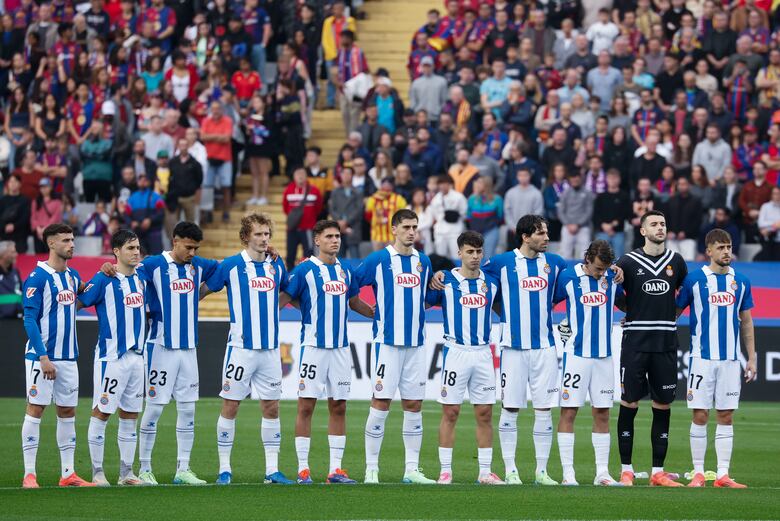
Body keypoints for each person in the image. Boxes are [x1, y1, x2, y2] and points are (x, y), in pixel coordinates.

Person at [103, 222, 218, 486]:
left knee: (188, 410)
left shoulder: (198, 265)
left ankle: (183, 469)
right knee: (154, 409)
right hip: (161, 347)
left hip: (189, 349)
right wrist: (107, 266)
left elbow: (224, 269)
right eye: (188, 247)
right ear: (175, 241)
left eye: (196, 248)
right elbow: (125, 272)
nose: (192, 253)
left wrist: (202, 292)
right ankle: (145, 468)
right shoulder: (153, 264)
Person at [200, 213, 294, 485]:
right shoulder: (230, 265)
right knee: (231, 405)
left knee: (272, 407)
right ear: (245, 237)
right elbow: (204, 290)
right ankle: (224, 469)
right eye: (258, 234)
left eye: (267, 234)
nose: (264, 239)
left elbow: (287, 292)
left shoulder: (276, 265)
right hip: (241, 349)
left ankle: (272, 470)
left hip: (270, 350)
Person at [280, 219, 373, 484]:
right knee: (306, 406)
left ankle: (335, 470)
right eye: (329, 236)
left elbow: (354, 302)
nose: (335, 240)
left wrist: (377, 314)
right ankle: (303, 469)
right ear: (317, 240)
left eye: (337, 236)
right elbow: (284, 298)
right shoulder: (305, 270)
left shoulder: (345, 270)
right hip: (313, 348)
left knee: (339, 406)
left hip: (341, 349)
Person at [483, 215, 569, 485]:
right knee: (510, 408)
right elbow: (477, 284)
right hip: (513, 348)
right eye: (541, 233)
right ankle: (511, 470)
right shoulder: (500, 263)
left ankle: (541, 472)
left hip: (545, 347)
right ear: (525, 236)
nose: (547, 238)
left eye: (547, 232)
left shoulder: (556, 263)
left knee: (544, 409)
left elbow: (571, 286)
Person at [354, 209, 435, 485]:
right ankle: (371, 469)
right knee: (381, 402)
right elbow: (350, 286)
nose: (411, 232)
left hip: (416, 344)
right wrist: (368, 310)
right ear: (393, 230)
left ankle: (411, 469)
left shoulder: (424, 261)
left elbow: (426, 297)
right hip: (387, 344)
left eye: (414, 227)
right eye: (406, 227)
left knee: (414, 404)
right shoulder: (378, 260)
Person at [676, 228, 756, 488]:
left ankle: (722, 475)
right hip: (701, 358)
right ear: (708, 251)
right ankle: (698, 473)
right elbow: (674, 313)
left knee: (726, 415)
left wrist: (751, 357)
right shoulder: (694, 280)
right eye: (720, 247)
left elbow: (746, 322)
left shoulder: (741, 281)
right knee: (700, 415)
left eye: (729, 247)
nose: (726, 252)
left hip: (731, 360)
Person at [614, 210, 688, 487]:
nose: (660, 228)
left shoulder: (676, 262)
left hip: (665, 342)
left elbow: (685, 293)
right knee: (629, 402)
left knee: (662, 404)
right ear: (643, 231)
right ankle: (626, 469)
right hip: (635, 342)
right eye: (654, 224)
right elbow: (615, 294)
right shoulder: (628, 262)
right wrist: (631, 311)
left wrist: (672, 313)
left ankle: (658, 472)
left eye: (663, 224)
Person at [425, 231, 503, 485]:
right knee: (451, 412)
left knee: (485, 413)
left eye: (479, 251)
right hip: (455, 352)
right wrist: (433, 276)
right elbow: (423, 302)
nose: (475, 256)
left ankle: (485, 472)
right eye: (470, 251)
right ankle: (445, 471)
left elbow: (506, 307)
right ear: (459, 253)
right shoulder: (445, 280)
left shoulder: (491, 282)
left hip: (483, 353)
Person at [21, 224, 93, 488]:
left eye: (72, 239)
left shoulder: (72, 276)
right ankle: (30, 474)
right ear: (51, 244)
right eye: (65, 240)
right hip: (42, 358)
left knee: (67, 410)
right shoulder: (37, 277)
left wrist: (106, 271)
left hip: (69, 356)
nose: (72, 244)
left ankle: (68, 473)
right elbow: (29, 320)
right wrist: (43, 357)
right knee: (36, 408)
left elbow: (87, 291)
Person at [78, 230, 146, 486]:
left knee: (130, 414)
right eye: (130, 248)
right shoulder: (103, 278)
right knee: (102, 412)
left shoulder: (142, 278)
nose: (136, 252)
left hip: (137, 358)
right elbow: (78, 302)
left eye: (137, 247)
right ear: (116, 251)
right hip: (111, 357)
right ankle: (97, 472)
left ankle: (126, 473)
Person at [553, 239, 623, 486]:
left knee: (602, 413)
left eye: (605, 269)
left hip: (604, 356)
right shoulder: (568, 278)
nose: (601, 273)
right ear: (587, 259)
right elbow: (548, 302)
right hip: (576, 356)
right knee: (569, 411)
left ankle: (602, 473)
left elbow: (626, 303)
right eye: (597, 268)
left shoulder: (612, 277)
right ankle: (568, 473)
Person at [282, 167, 323, 269]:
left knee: (309, 254)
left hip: (308, 229)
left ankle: (308, 274)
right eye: (297, 174)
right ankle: (290, 275)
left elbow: (318, 208)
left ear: (306, 176)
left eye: (302, 174)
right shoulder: (288, 190)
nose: (300, 176)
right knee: (290, 254)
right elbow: (285, 208)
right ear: (294, 177)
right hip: (292, 229)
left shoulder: (314, 190)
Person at [201, 101, 234, 223]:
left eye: (218, 108)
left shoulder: (228, 120)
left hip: (225, 158)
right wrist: (219, 136)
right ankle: (208, 212)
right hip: (210, 157)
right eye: (213, 109)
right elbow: (203, 137)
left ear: (222, 110)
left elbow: (227, 138)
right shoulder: (206, 121)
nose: (215, 111)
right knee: (207, 186)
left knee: (226, 186)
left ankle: (226, 212)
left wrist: (211, 136)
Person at [125, 173, 166, 256]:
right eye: (140, 180)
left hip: (153, 232)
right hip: (138, 232)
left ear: (149, 183)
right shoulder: (132, 197)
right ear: (137, 182)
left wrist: (150, 220)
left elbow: (161, 212)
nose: (142, 182)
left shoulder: (156, 197)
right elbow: (126, 214)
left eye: (145, 180)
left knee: (156, 257)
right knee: (139, 257)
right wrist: (131, 222)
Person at [558, 172, 595, 260]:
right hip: (567, 227)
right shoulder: (565, 193)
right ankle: (566, 269)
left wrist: (578, 224)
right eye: (573, 179)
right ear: (570, 180)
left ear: (581, 179)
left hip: (583, 227)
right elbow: (561, 211)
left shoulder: (587, 193)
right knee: (565, 254)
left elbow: (589, 211)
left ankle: (585, 270)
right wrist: (568, 224)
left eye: (577, 178)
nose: (575, 181)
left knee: (585, 255)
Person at [593, 169, 630, 257]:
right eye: (610, 178)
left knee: (619, 258)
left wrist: (613, 225)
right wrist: (603, 225)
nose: (612, 180)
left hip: (618, 232)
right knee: (600, 258)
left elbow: (625, 213)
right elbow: (596, 214)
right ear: (606, 179)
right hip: (602, 231)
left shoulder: (624, 196)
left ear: (619, 179)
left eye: (615, 178)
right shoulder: (601, 197)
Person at [328, 168, 364, 259]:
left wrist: (346, 221)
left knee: (355, 257)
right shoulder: (335, 192)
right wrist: (339, 221)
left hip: (353, 226)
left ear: (352, 176)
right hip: (338, 227)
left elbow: (359, 210)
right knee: (339, 258)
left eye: (348, 173)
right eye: (343, 173)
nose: (346, 176)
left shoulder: (358, 192)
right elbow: (332, 209)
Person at [429, 175, 468, 259]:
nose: (442, 186)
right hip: (440, 231)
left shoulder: (458, 197)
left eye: (445, 183)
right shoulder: (436, 198)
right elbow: (434, 214)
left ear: (450, 184)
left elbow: (465, 212)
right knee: (440, 257)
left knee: (456, 256)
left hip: (455, 231)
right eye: (440, 184)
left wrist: (455, 215)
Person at [365, 177, 408, 251]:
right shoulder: (373, 199)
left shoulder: (398, 199)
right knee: (378, 257)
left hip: (393, 236)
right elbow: (368, 216)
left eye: (388, 185)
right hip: (377, 236)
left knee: (392, 256)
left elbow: (404, 215)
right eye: (384, 185)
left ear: (392, 186)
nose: (386, 187)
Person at [0, 175, 32, 253]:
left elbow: (26, 217)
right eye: (11, 181)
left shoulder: (25, 200)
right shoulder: (2, 200)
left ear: (20, 184)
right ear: (8, 184)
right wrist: (4, 226)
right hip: (4, 235)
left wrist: (14, 226)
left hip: (20, 237)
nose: (13, 184)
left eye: (15, 181)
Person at [0, 240, 22, 319]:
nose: (16, 254)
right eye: (13, 252)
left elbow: (20, 292)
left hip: (16, 319)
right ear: (3, 254)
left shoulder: (15, 271)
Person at [757, 186, 780, 261]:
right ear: (771, 195)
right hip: (768, 238)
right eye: (774, 193)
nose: (776, 196)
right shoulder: (765, 206)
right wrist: (775, 224)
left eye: (778, 194)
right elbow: (761, 223)